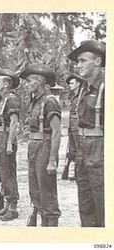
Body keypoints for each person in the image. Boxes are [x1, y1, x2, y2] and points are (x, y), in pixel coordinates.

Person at [67, 40, 105, 227]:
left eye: (83, 60)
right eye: (77, 61)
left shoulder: (106, 88)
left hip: (101, 155)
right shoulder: (83, 89)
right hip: (82, 153)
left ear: (97, 61)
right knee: (86, 206)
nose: (78, 65)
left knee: (103, 205)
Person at [20, 64, 62, 227]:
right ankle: (43, 225)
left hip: (45, 146)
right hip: (34, 145)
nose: (26, 84)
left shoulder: (50, 102)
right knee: (35, 189)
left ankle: (51, 228)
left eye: (29, 81)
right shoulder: (36, 101)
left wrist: (52, 160)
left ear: (39, 81)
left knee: (47, 190)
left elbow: (57, 132)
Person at [0, 69, 21, 221]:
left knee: (8, 173)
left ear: (6, 84)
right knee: (3, 173)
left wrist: (9, 143)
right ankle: (7, 204)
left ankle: (13, 207)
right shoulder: (2, 101)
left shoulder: (11, 100)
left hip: (5, 137)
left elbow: (15, 123)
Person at [61, 74, 86, 181]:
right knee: (72, 150)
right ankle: (76, 172)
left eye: (72, 83)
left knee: (79, 150)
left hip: (77, 126)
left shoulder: (82, 95)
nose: (70, 85)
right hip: (71, 127)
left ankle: (80, 173)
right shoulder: (73, 96)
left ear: (78, 83)